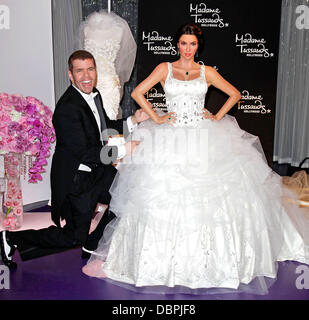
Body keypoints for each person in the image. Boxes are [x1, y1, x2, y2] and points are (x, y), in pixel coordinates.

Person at [82, 24, 309, 295]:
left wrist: (216, 115)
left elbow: (234, 94)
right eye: (183, 43)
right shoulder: (165, 69)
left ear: (197, 46)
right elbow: (137, 92)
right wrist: (157, 117)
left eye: (192, 44)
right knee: (161, 196)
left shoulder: (207, 72)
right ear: (177, 44)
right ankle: (160, 263)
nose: (187, 48)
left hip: (206, 136)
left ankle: (215, 263)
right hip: (171, 137)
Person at [0, 50, 149, 269]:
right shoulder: (66, 109)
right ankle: (12, 239)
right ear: (70, 75)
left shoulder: (93, 94)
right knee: (72, 237)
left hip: (100, 170)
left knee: (128, 196)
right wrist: (124, 149)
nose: (86, 76)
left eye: (90, 69)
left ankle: (92, 242)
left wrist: (133, 120)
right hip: (78, 179)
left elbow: (103, 128)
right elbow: (86, 152)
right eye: (80, 71)